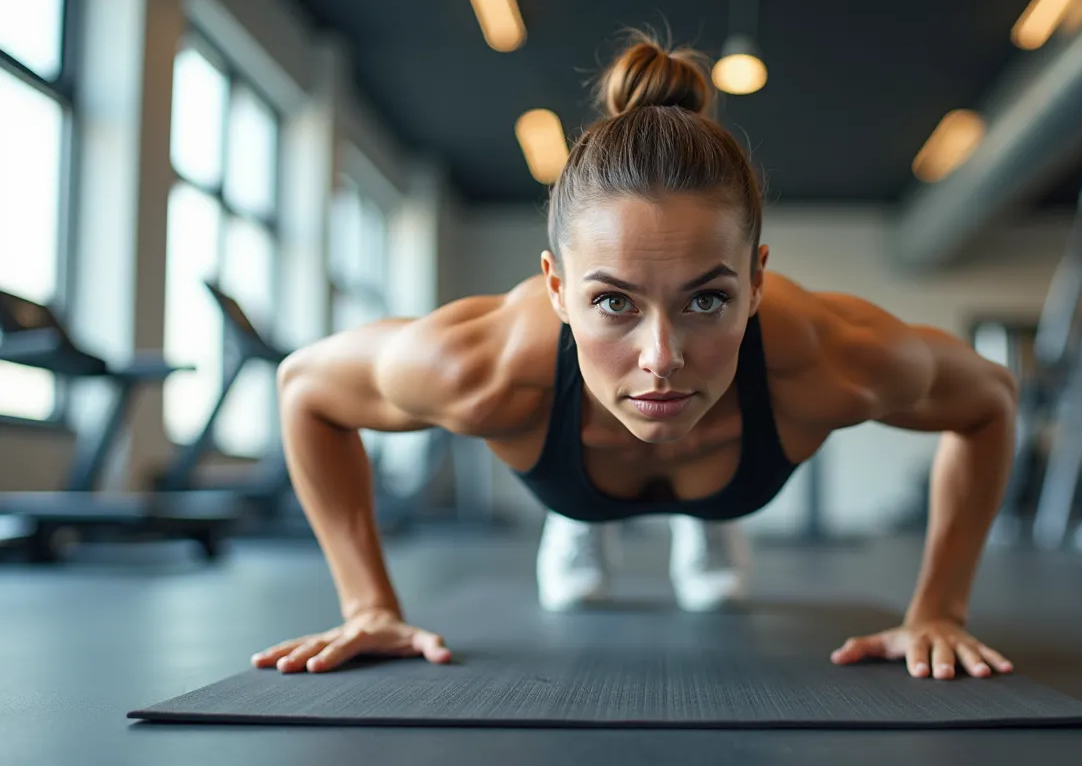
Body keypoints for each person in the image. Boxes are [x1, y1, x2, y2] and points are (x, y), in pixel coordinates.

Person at [250, 33, 1019, 683]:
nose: (663, 357)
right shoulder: (480, 368)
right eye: (614, 301)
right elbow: (306, 388)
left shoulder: (830, 358)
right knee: (589, 507)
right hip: (573, 447)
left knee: (706, 521)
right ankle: (583, 515)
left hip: (728, 454)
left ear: (756, 283)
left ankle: (703, 518)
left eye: (707, 300)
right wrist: (369, 608)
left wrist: (939, 612)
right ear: (556, 288)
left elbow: (988, 400)